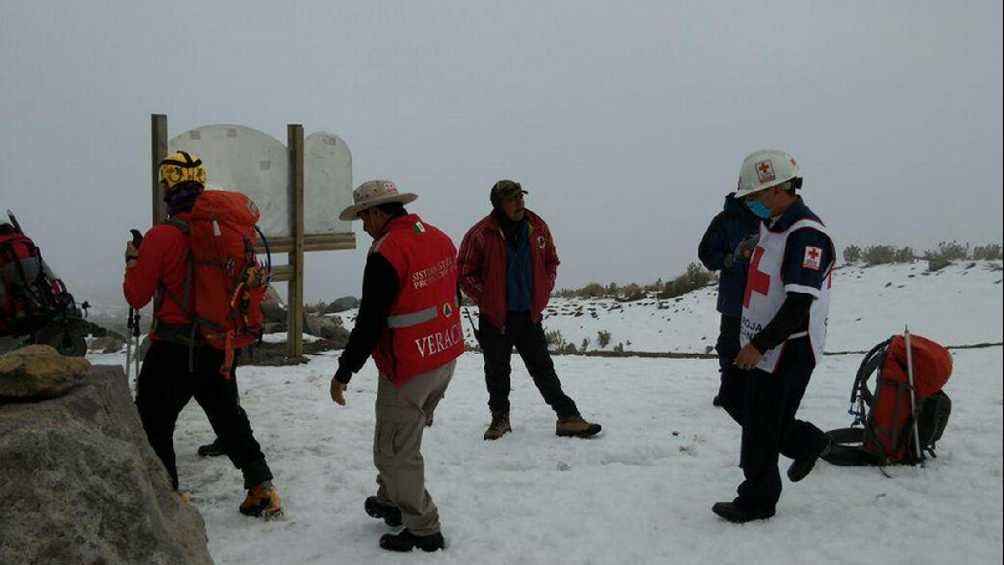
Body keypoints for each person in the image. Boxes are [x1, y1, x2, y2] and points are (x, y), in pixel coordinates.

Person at [124, 151, 281, 518]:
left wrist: (133, 260)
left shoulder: (161, 237)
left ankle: (167, 499)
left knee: (154, 422)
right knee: (228, 416)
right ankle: (262, 488)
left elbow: (136, 295)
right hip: (217, 343)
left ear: (168, 188)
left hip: (173, 349)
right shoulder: (226, 232)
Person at [330, 180, 462, 553]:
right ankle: (391, 499)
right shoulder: (436, 237)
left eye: (362, 218)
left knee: (393, 449)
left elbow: (370, 321)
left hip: (410, 366)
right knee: (405, 434)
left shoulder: (386, 252)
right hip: (444, 356)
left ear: (376, 212)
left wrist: (344, 371)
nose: (362, 226)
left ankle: (423, 527)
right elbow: (449, 292)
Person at [713, 149, 834, 523]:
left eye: (755, 195)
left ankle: (758, 498)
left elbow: (799, 303)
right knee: (734, 398)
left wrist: (759, 345)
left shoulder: (807, 235)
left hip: (788, 347)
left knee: (762, 425)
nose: (750, 202)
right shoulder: (771, 225)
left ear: (779, 190)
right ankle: (806, 441)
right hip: (754, 339)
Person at [458, 180, 601, 440]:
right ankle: (500, 419)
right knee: (497, 370)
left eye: (521, 197)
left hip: (528, 315)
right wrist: (488, 300)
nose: (519, 202)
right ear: (499, 205)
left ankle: (568, 416)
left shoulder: (538, 227)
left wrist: (544, 290)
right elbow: (465, 272)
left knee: (543, 368)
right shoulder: (480, 234)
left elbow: (551, 262)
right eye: (512, 199)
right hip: (496, 318)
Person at [698, 192, 761, 406]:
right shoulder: (725, 220)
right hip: (735, 297)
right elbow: (706, 253)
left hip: (768, 298)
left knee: (768, 344)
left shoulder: (775, 217)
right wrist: (728, 260)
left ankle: (764, 391)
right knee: (729, 345)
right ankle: (729, 391)